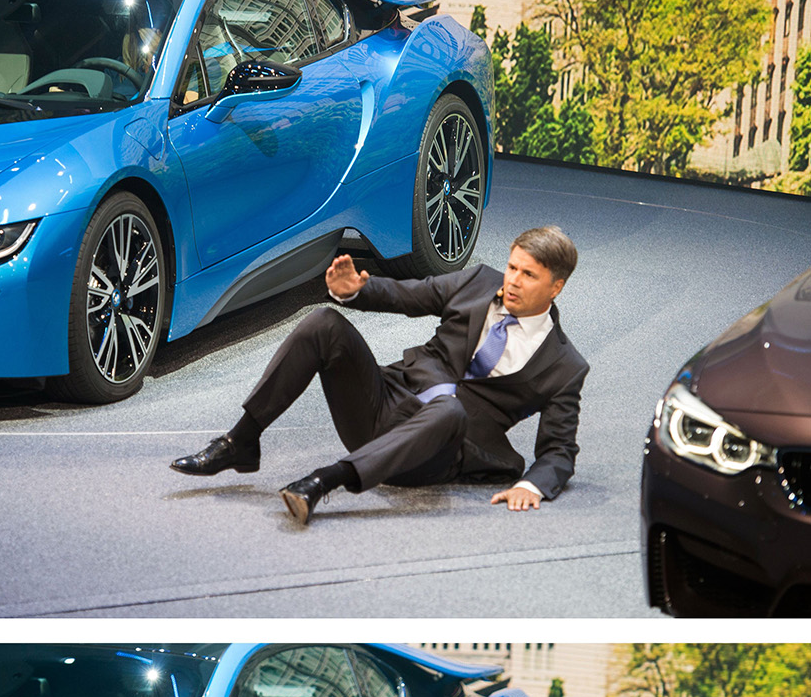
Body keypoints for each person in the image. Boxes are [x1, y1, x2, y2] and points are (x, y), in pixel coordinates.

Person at [171, 225, 587, 525]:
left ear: (557, 287)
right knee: (323, 323)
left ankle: (325, 480)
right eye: (513, 267)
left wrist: (531, 486)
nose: (512, 281)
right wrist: (355, 289)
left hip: (436, 449)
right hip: (385, 405)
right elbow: (412, 294)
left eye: (528, 275)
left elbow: (558, 451)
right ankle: (239, 442)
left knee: (450, 411)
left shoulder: (565, 366)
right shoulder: (479, 281)